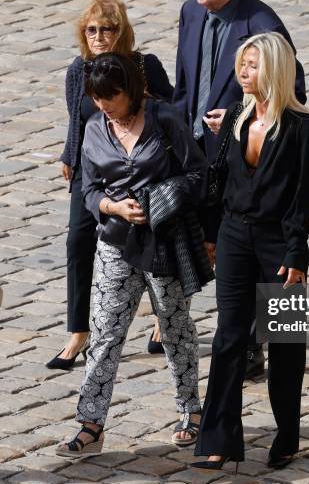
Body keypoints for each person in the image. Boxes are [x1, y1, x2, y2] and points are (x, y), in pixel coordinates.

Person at [56, 53, 208, 457]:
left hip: (163, 243)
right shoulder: (92, 130)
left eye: (113, 97)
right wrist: (113, 207)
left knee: (175, 329)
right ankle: (91, 424)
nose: (105, 105)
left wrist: (162, 198)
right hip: (116, 244)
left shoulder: (166, 119)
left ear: (131, 91)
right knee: (105, 334)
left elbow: (198, 173)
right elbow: (88, 191)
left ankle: (191, 412)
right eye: (98, 97)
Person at [173, 0, 307, 378]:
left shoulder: (262, 23)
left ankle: (251, 343)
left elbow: (291, 94)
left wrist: (237, 118)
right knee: (208, 247)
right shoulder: (191, 12)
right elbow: (185, 85)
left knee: (243, 251)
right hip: (195, 154)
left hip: (242, 163)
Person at [192, 32, 309, 471]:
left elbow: (303, 198)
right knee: (228, 336)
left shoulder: (302, 127)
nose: (244, 74)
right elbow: (217, 183)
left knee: (284, 342)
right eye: (241, 65)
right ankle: (219, 440)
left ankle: (287, 435)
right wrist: (210, 236)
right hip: (233, 237)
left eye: (253, 65)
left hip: (277, 244)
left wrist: (296, 254)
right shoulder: (234, 121)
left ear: (275, 70)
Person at [47, 0, 174, 371]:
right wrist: (69, 155)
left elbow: (171, 112)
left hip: (139, 169)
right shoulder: (78, 69)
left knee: (148, 243)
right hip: (93, 170)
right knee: (77, 242)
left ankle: (162, 320)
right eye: (91, 30)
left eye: (107, 29)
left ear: (122, 32)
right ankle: (78, 332)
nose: (99, 36)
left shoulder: (143, 65)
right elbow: (77, 119)